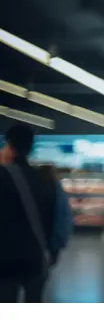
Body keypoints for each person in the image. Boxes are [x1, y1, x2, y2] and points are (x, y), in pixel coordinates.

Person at [0, 124, 57, 302]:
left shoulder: (2, 176)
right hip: (36, 257)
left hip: (6, 259)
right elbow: (55, 217)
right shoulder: (46, 179)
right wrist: (53, 251)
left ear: (9, 146)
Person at [37, 164, 73, 266]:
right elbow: (64, 213)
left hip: (40, 230)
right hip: (55, 231)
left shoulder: (37, 187)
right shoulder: (58, 189)